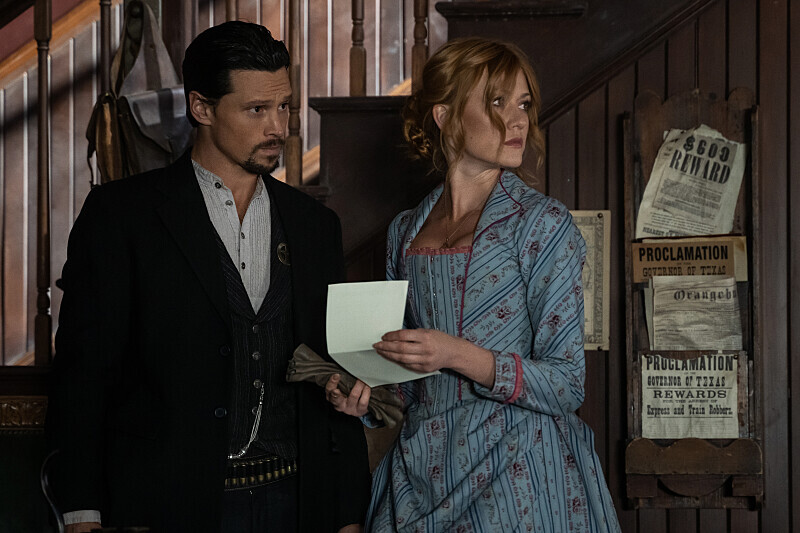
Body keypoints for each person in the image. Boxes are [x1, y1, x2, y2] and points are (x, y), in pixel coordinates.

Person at [46, 21, 370, 533]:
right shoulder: (121, 216)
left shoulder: (315, 225)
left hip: (297, 503)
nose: (278, 127)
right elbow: (83, 375)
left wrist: (347, 512)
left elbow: (332, 370)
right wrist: (82, 511)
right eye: (256, 109)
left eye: (283, 106)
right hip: (167, 505)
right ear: (201, 108)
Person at [326, 37, 621, 531]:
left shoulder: (542, 224)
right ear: (445, 117)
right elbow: (408, 384)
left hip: (521, 474)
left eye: (523, 103)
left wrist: (454, 353)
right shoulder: (404, 231)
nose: (518, 120)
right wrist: (365, 398)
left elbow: (567, 383)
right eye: (497, 102)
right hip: (421, 473)